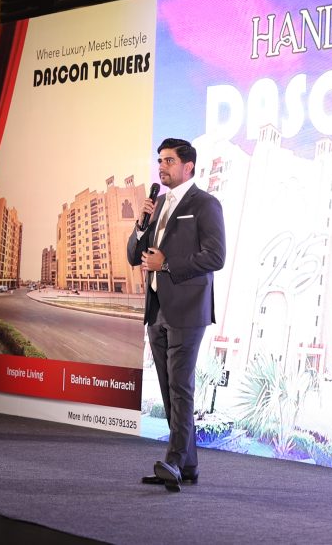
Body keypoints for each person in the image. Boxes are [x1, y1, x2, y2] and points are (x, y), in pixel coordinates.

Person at [127, 138, 226, 492]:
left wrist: (167, 263)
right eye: (159, 160)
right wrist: (141, 225)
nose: (162, 166)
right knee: (170, 392)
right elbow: (133, 255)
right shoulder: (158, 207)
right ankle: (188, 465)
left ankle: (173, 460)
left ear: (188, 166)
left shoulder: (205, 204)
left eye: (169, 160)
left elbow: (215, 256)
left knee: (180, 387)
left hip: (187, 309)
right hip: (157, 310)